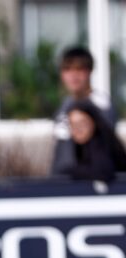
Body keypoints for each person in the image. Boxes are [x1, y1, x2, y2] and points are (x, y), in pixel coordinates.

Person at [51, 46, 118, 176]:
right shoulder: (65, 105)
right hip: (61, 183)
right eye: (67, 69)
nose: (73, 75)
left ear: (90, 71)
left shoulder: (100, 104)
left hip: (89, 185)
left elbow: (104, 149)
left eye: (79, 69)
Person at [56, 99, 126, 183]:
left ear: (94, 122)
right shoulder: (82, 146)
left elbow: (104, 173)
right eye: (73, 124)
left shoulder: (100, 142)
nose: (78, 129)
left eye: (82, 123)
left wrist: (70, 171)